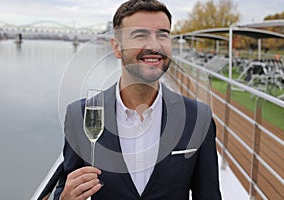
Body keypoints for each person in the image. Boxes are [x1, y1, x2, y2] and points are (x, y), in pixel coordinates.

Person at [54, 0, 222, 199]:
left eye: (162, 34)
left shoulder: (199, 118)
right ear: (117, 47)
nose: (154, 45)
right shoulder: (79, 115)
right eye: (140, 35)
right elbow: (64, 188)